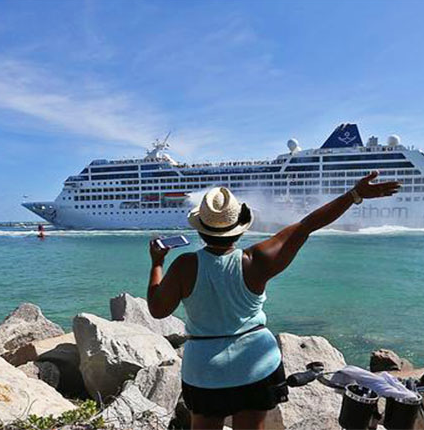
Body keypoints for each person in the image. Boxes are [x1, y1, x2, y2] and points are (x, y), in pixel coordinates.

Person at [147, 171, 400, 430]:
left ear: (201, 229)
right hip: (255, 364)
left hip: (205, 371)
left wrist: (157, 263)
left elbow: (157, 310)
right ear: (238, 228)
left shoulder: (185, 266)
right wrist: (354, 195)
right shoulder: (257, 260)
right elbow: (308, 225)